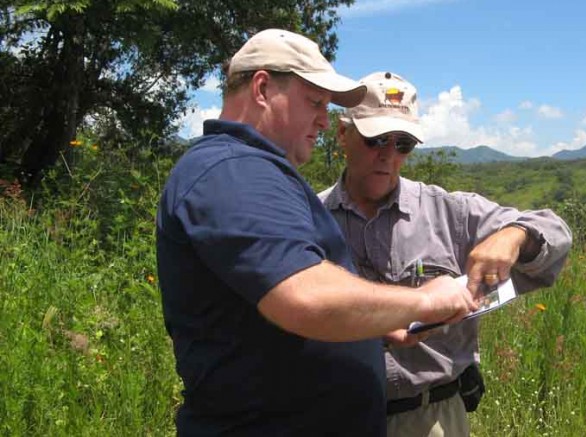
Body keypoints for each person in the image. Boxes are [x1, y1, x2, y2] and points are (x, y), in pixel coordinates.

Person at [156, 30, 480, 436]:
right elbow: (304, 295)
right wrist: (422, 300)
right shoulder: (233, 171)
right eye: (314, 102)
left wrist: (375, 324)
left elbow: (268, 308)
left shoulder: (253, 172)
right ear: (261, 88)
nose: (325, 122)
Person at [319, 71, 573, 436]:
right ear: (343, 134)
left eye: (403, 144)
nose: (388, 156)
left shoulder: (449, 212)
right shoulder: (308, 216)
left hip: (432, 417)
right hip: (333, 416)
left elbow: (556, 232)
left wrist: (514, 236)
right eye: (376, 139)